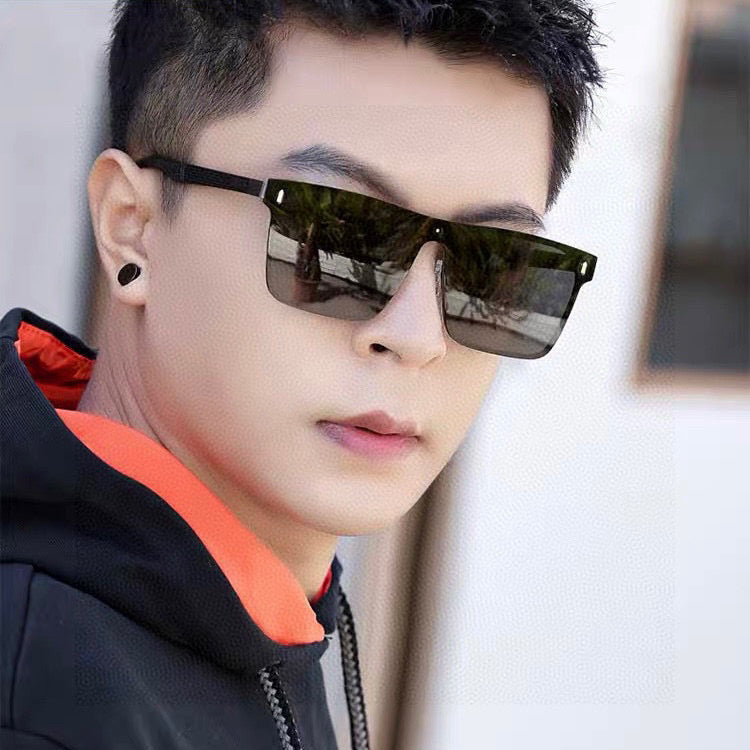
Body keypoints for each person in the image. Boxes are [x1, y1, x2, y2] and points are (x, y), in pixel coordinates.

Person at [0, 1, 607, 748]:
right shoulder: (40, 691)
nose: (417, 337)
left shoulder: (248, 613)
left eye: (493, 265)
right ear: (133, 226)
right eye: (336, 237)